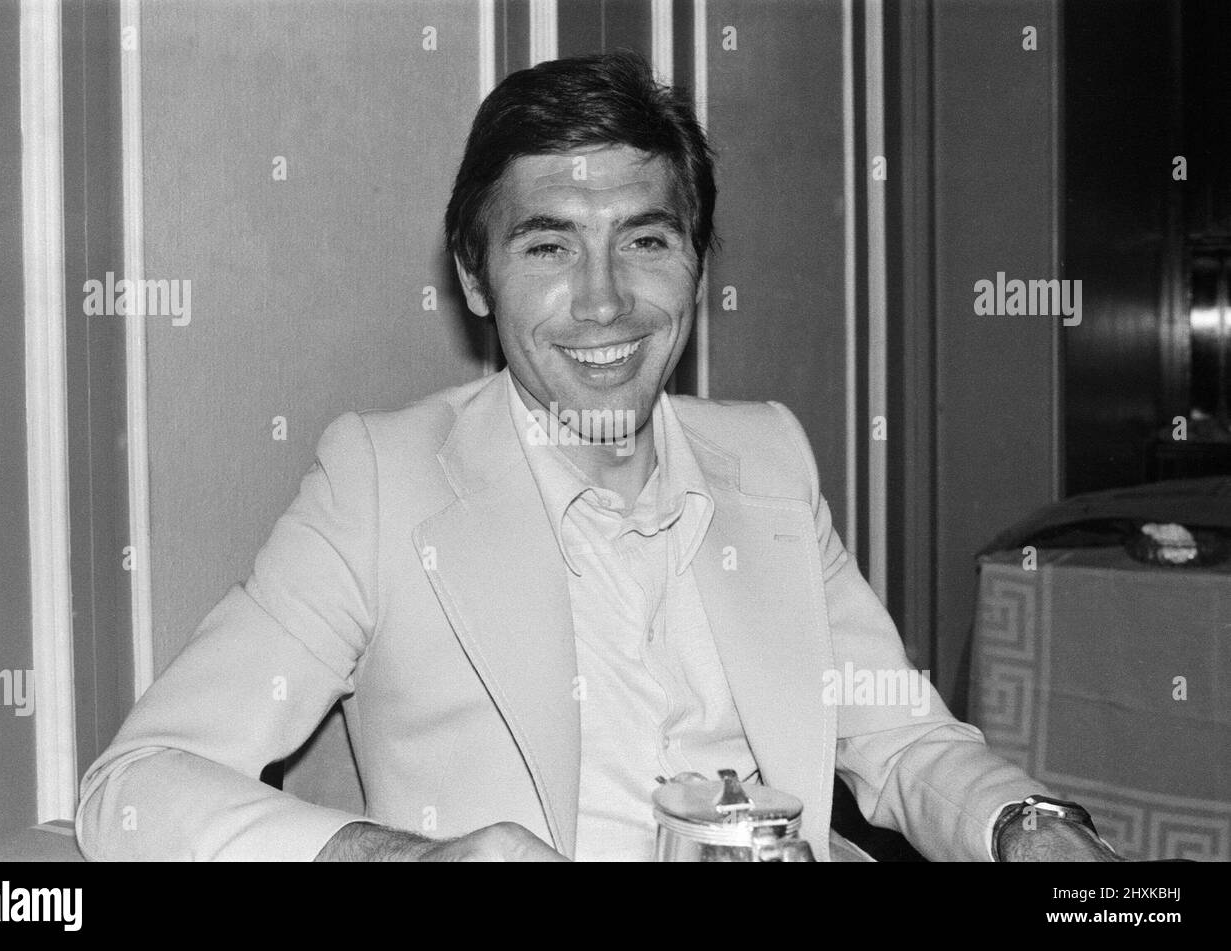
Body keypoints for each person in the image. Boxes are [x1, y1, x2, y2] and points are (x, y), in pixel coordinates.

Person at [76, 51, 1119, 862]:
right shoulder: (380, 485)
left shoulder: (769, 458)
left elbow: (897, 740)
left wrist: (1024, 825)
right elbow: (138, 785)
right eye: (547, 246)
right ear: (474, 279)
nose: (606, 299)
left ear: (698, 266)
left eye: (646, 240)